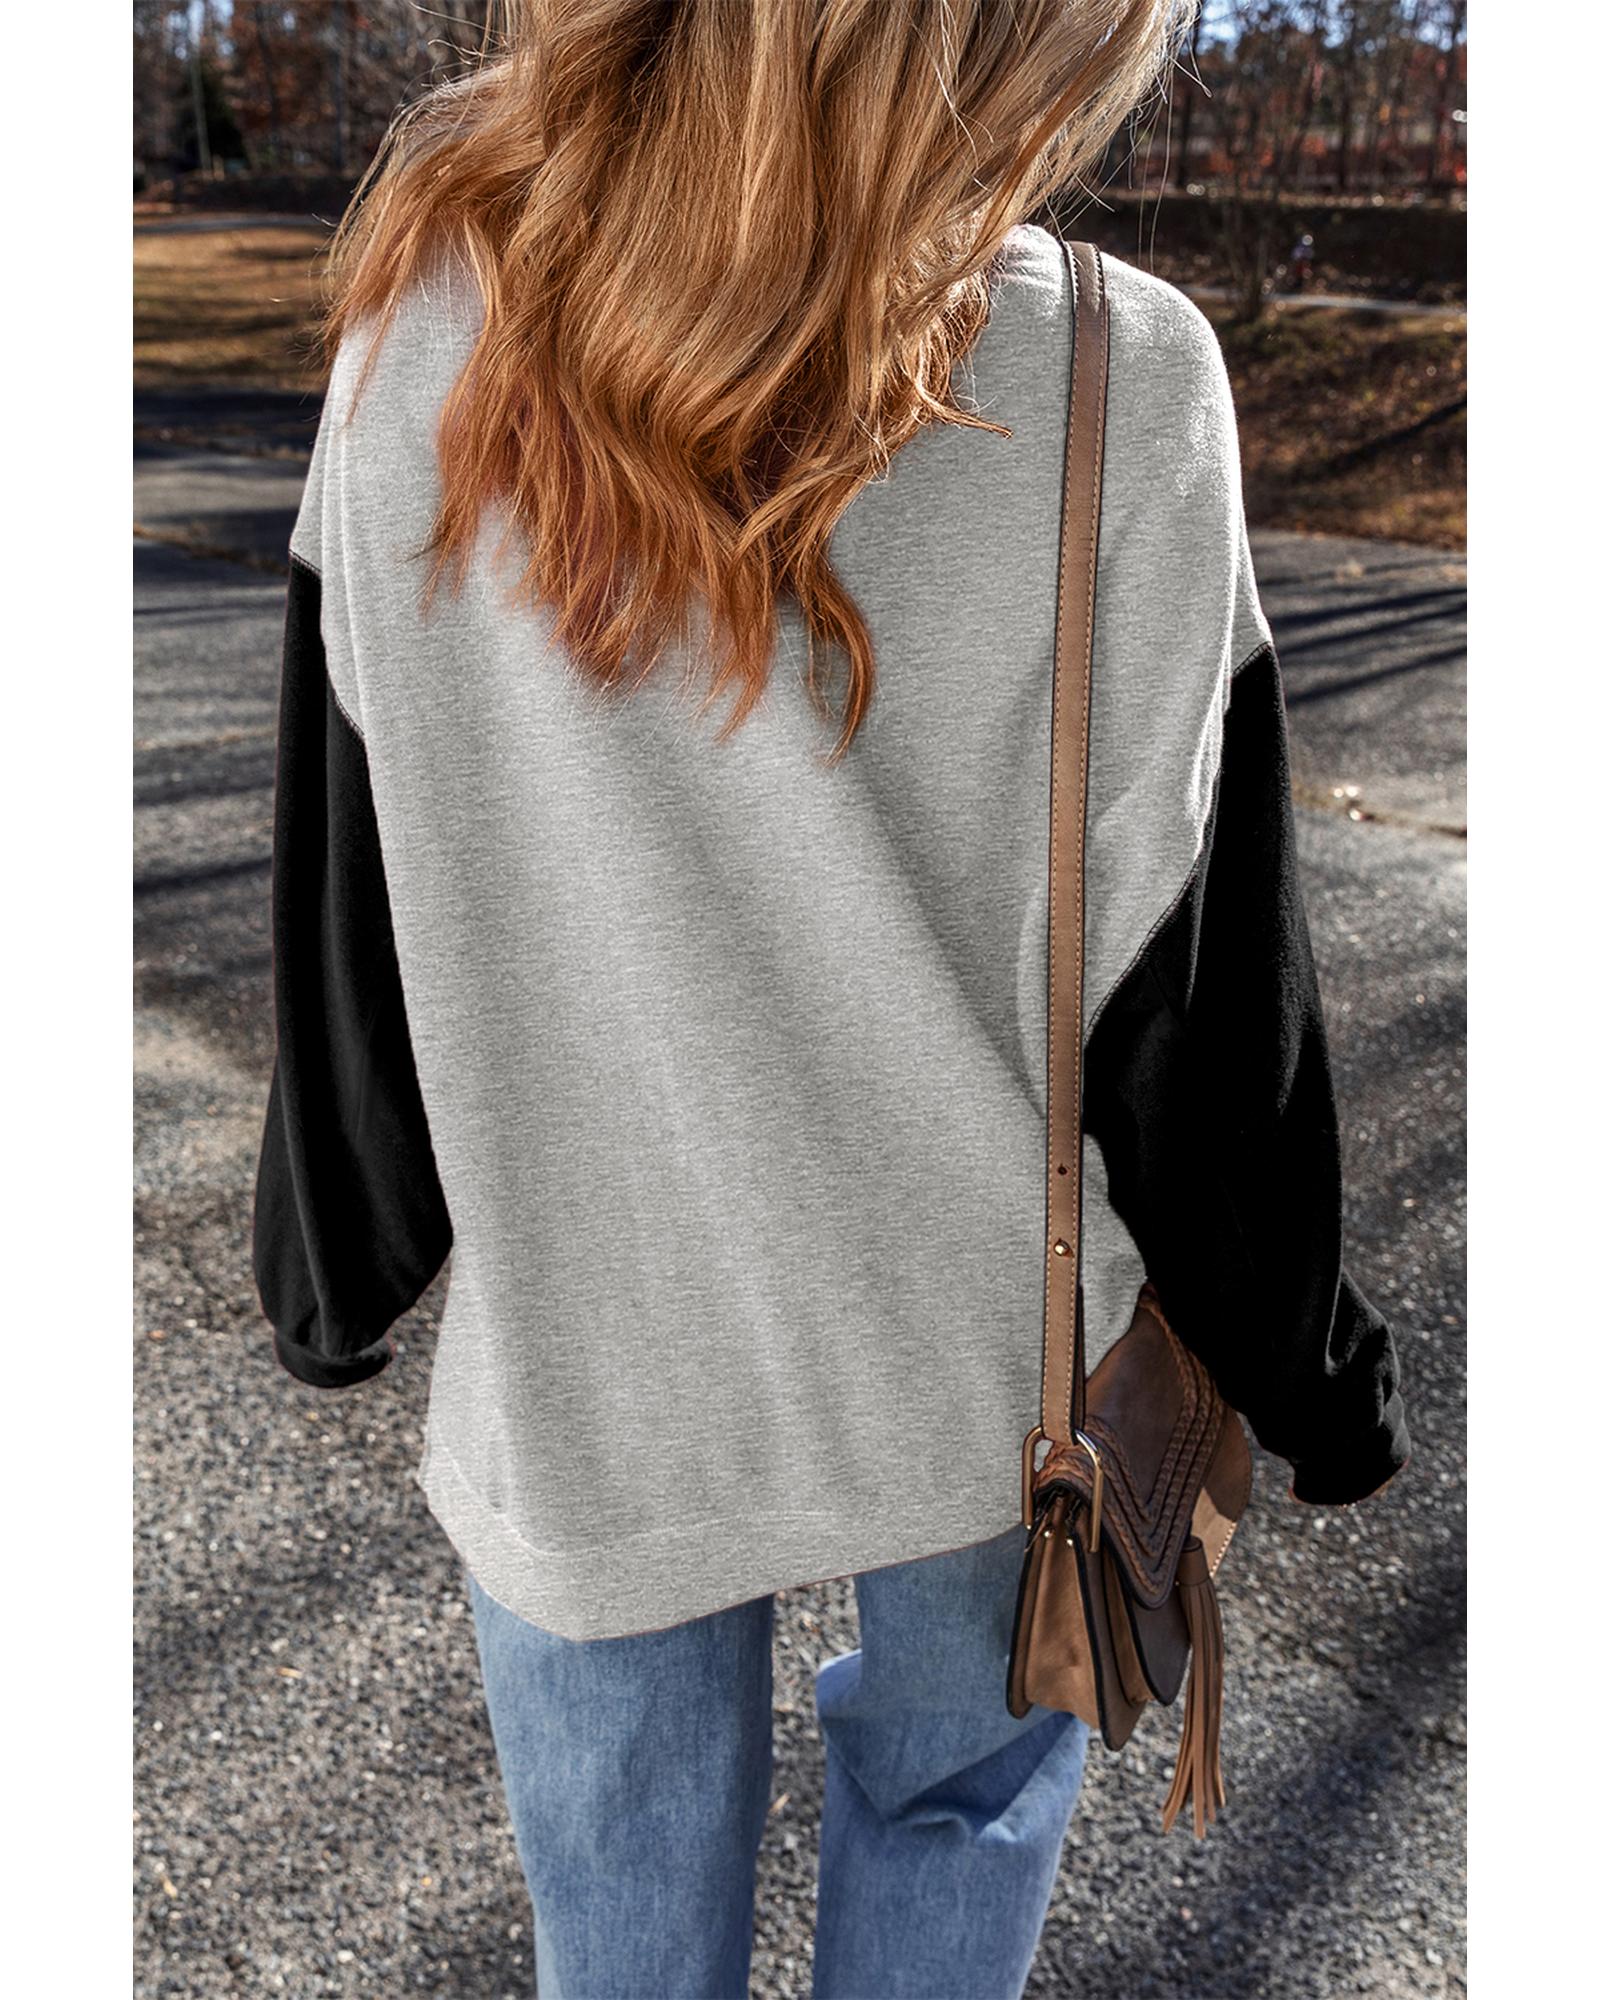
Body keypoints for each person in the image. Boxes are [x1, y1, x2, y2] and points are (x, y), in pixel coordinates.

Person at [249, 4, 1410, 1996]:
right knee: (953, 1836)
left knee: (618, 1924)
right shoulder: (1121, 375)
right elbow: (1199, 997)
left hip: (586, 1352)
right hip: (987, 1368)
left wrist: (334, 1263)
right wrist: (1307, 1372)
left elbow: (362, 861)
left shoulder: (424, 329)